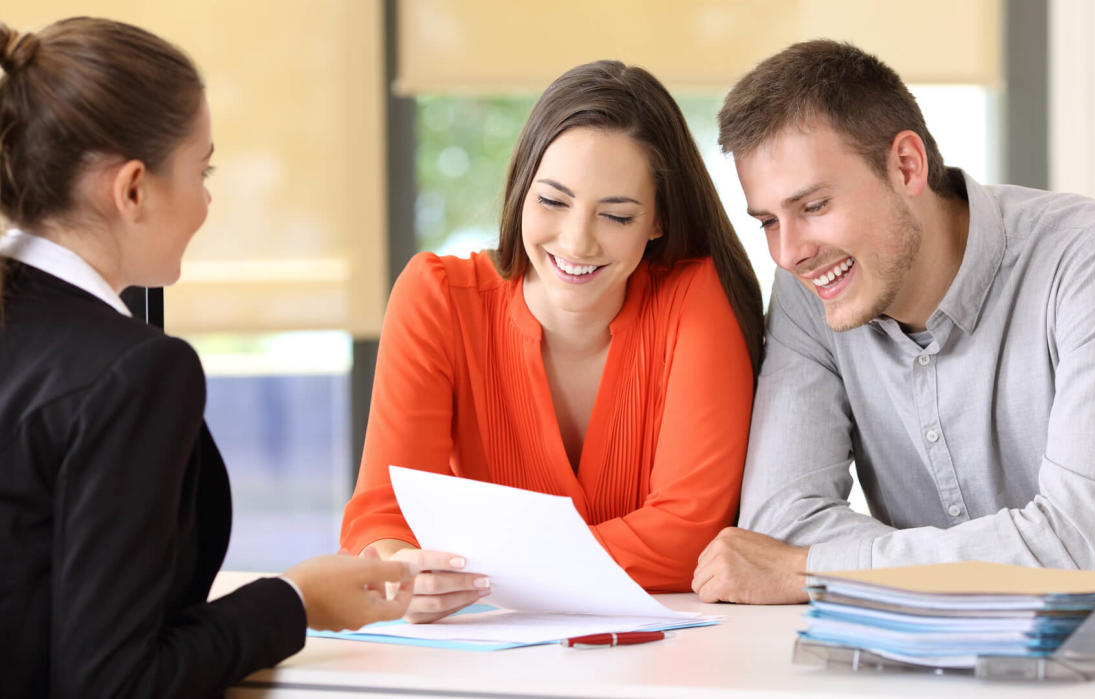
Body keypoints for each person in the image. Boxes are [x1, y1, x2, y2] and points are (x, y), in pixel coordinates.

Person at [691, 39, 1095, 604]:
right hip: (937, 663)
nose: (789, 253)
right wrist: (853, 566)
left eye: (813, 207)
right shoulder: (810, 291)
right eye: (767, 222)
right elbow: (780, 528)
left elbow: (1074, 555)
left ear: (906, 166)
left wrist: (810, 571)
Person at [0, 18, 416, 697]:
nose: (208, 201)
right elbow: (115, 682)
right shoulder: (132, 373)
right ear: (132, 189)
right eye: (203, 169)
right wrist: (296, 599)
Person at [339, 60, 764, 621]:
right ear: (521, 190)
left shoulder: (695, 299)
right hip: (486, 658)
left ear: (657, 220)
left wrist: (480, 575)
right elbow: (383, 513)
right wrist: (401, 575)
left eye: (615, 215)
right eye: (552, 202)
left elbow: (690, 534)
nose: (577, 241)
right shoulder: (436, 297)